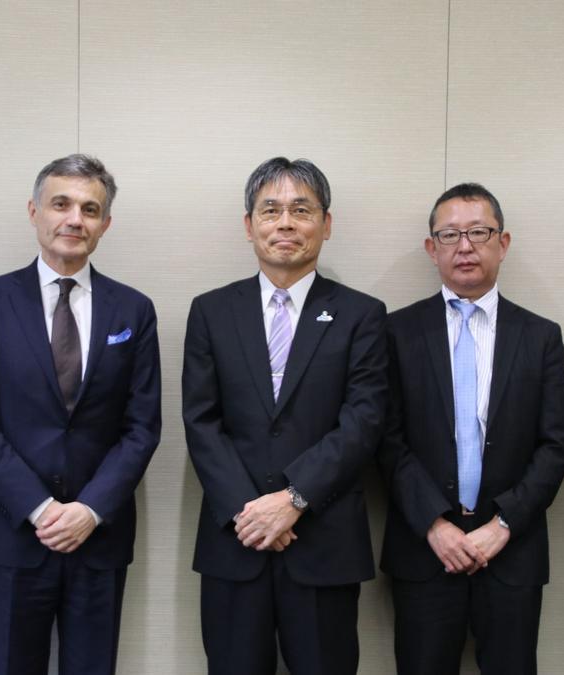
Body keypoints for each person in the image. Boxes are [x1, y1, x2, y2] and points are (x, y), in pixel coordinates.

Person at [0, 154, 161, 675]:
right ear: (34, 211)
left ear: (105, 224)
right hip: (14, 533)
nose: (75, 219)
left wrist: (88, 510)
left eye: (90, 209)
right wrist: (41, 508)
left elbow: (142, 427)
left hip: (98, 535)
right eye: (61, 204)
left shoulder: (132, 310)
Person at [182, 157, 387, 675]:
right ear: (249, 225)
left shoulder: (361, 314)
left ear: (327, 223)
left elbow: (363, 420)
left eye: (302, 209)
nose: (286, 223)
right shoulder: (211, 311)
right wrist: (248, 512)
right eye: (270, 210)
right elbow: (200, 421)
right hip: (237, 539)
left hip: (323, 541)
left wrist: (295, 499)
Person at [377, 183, 564, 674]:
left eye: (479, 232)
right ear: (432, 248)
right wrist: (434, 525)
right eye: (449, 235)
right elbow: (385, 439)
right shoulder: (397, 332)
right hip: (424, 551)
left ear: (502, 243)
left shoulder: (540, 337)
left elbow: (555, 445)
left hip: (512, 551)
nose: (464, 246)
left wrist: (502, 526)